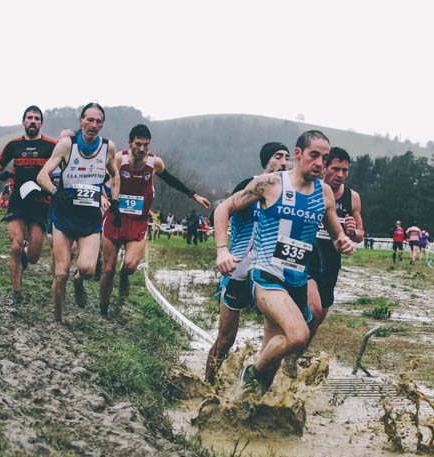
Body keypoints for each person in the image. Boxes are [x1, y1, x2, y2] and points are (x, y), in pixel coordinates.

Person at [215, 131, 354, 398]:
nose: (319, 164)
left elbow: (336, 233)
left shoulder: (324, 193)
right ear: (298, 154)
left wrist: (342, 242)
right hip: (267, 276)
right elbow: (223, 210)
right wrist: (222, 250)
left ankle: (246, 405)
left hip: (297, 282)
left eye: (324, 158)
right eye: (314, 155)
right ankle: (250, 372)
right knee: (299, 335)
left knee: (274, 356)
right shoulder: (269, 184)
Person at [99, 124, 209, 316]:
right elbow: (99, 176)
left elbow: (171, 180)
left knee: (130, 266)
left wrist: (193, 195)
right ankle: (103, 309)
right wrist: (101, 195)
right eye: (138, 144)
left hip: (138, 221)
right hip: (116, 217)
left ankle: (123, 283)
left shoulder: (154, 163)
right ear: (130, 143)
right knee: (108, 269)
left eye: (146, 145)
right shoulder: (119, 159)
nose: (142, 149)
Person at [205, 141, 290, 384]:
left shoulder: (290, 193)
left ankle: (258, 393)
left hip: (268, 274)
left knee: (274, 340)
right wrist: (222, 250)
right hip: (237, 271)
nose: (283, 162)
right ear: (266, 162)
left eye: (286, 157)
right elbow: (219, 213)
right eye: (277, 157)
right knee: (226, 340)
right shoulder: (251, 185)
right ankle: (207, 384)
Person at [36, 102, 119, 323]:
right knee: (60, 273)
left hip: (90, 219)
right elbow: (42, 175)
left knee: (88, 269)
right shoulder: (66, 145)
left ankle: (79, 280)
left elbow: (115, 175)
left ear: (102, 125)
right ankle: (58, 319)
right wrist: (55, 192)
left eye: (98, 121)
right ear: (80, 121)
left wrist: (114, 200)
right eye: (89, 120)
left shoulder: (107, 147)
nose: (93, 125)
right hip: (64, 215)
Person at [301, 147, 363, 372]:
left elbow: (359, 234)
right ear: (324, 167)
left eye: (345, 171)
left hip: (331, 258)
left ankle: (298, 353)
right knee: (312, 309)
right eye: (336, 169)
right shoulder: (309, 188)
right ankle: (287, 353)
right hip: (306, 253)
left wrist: (352, 231)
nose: (341, 175)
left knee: (320, 316)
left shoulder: (351, 197)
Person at [0, 105, 58, 304]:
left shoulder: (51, 145)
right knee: (15, 246)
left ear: (41, 123)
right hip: (17, 202)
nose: (32, 121)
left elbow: (62, 169)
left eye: (36, 118)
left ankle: (25, 259)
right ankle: (17, 293)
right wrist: (0, 175)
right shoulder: (13, 145)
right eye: (29, 118)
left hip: (40, 204)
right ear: (23, 122)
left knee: (34, 257)